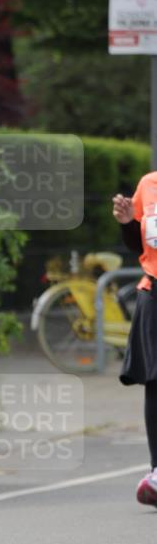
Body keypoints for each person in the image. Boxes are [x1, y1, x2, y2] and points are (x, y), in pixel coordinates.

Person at [112, 171, 157, 508]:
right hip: (153, 293)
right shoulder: (148, 184)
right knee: (154, 382)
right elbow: (139, 245)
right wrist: (129, 222)